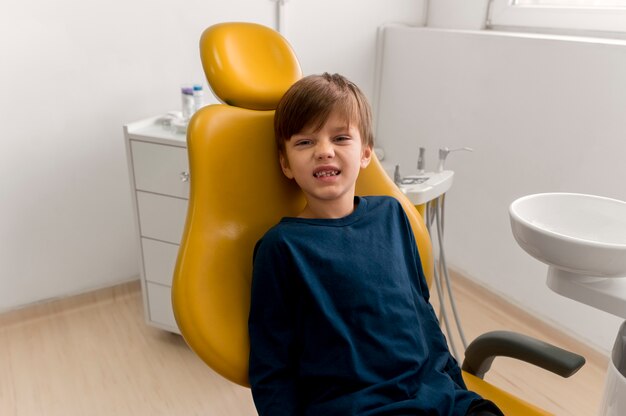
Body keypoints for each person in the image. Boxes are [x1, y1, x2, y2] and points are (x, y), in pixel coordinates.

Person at [248, 73, 504, 416]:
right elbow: (272, 369)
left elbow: (422, 315)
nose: (324, 151)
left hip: (438, 398)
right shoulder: (281, 248)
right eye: (305, 143)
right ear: (286, 164)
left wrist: (458, 391)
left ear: (366, 152)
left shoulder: (392, 215)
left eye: (340, 138)